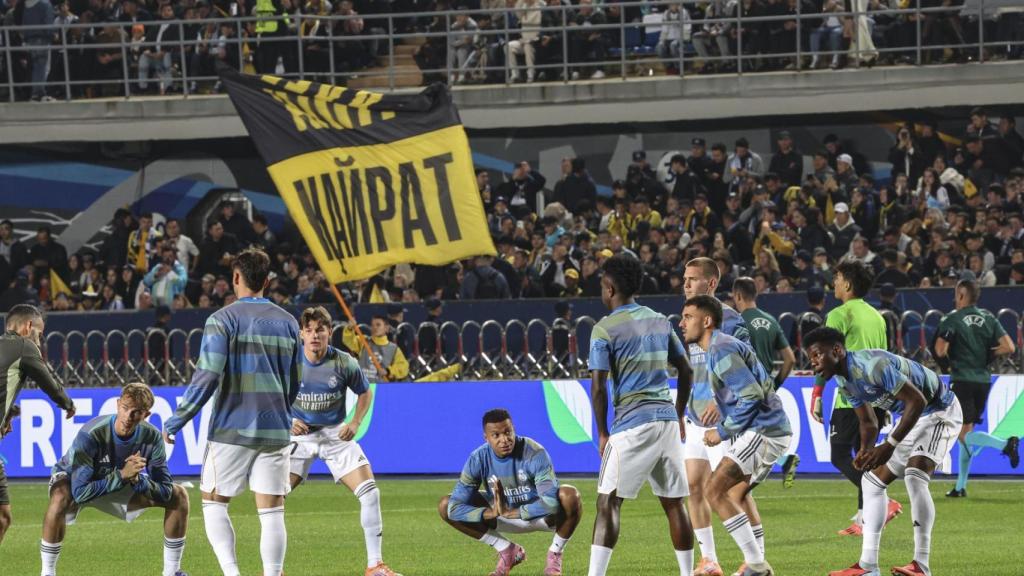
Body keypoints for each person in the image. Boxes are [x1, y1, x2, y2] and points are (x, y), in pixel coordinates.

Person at [162, 248, 302, 576]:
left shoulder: (222, 320)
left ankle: (232, 573)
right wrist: (282, 409)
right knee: (272, 510)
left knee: (214, 501)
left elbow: (208, 375)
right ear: (267, 281)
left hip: (231, 428)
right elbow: (295, 381)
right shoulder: (289, 322)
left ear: (235, 278)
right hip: (275, 429)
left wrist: (179, 418)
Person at [805, 328, 962, 576]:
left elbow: (918, 400)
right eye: (810, 358)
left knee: (914, 475)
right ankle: (868, 567)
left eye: (816, 355)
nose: (812, 364)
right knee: (871, 482)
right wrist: (867, 451)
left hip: (940, 411)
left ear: (836, 350)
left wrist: (888, 445)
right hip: (913, 418)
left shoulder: (872, 366)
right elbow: (868, 422)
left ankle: (921, 565)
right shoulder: (844, 379)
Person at [587, 254, 694, 576]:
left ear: (609, 288)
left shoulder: (603, 329)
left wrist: (603, 433)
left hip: (633, 422)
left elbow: (598, 388)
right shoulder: (660, 320)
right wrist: (678, 414)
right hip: (665, 423)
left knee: (608, 502)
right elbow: (686, 369)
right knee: (674, 502)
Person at [680, 296, 792, 576]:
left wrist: (722, 431)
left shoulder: (721, 348)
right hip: (764, 429)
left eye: (688, 317)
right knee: (728, 492)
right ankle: (755, 564)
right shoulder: (717, 347)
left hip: (764, 429)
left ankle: (756, 565)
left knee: (714, 490)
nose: (681, 324)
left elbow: (752, 395)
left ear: (707, 321)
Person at [289, 307, 401, 576]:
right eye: (310, 330)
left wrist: (354, 423)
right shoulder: (288, 363)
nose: (315, 335)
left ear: (329, 332)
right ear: (302, 334)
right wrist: (286, 421)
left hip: (334, 434)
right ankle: (273, 571)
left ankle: (375, 566)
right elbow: (269, 397)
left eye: (320, 329)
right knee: (272, 499)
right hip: (299, 436)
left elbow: (364, 393)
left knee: (370, 493)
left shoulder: (344, 362)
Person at [40, 383, 189, 576]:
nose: (128, 417)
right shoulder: (91, 433)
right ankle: (47, 573)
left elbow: (165, 490)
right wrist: (121, 475)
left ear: (146, 414)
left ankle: (172, 572)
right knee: (61, 495)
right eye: (125, 408)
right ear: (118, 404)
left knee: (179, 495)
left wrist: (137, 481)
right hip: (77, 483)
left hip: (117, 483)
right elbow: (80, 492)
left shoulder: (151, 437)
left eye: (136, 412)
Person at [810, 260, 902, 537]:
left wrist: (817, 392)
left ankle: (884, 502)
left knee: (839, 455)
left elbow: (823, 355)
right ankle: (865, 519)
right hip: (877, 395)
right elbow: (886, 359)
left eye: (837, 278)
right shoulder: (877, 316)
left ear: (847, 284)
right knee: (865, 458)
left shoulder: (839, 314)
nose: (833, 283)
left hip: (850, 397)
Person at [439, 409, 583, 576]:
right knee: (445, 505)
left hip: (541, 516)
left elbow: (551, 503)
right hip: (501, 516)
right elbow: (454, 509)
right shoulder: (478, 459)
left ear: (514, 429)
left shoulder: (534, 452)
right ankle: (507, 550)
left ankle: (555, 555)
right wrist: (490, 513)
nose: (504, 440)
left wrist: (515, 512)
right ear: (486, 438)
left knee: (570, 495)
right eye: (496, 435)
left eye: (508, 432)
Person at [680, 257, 754, 576]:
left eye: (692, 279)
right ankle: (709, 560)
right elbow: (688, 369)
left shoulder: (731, 320)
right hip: (695, 419)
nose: (685, 284)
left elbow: (746, 366)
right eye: (684, 278)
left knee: (732, 491)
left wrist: (719, 399)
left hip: (723, 420)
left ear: (710, 284)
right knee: (694, 486)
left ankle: (754, 558)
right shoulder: (686, 319)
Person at [934, 280, 1019, 498]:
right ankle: (960, 486)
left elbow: (940, 350)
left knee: (962, 435)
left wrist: (947, 363)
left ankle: (1005, 444)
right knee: (967, 432)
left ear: (961, 296)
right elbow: (1009, 346)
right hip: (982, 380)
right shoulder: (989, 318)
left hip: (961, 379)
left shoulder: (951, 319)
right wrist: (987, 355)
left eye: (956, 294)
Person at [0, 304, 76, 544]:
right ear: (28, 326)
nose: (39, 341)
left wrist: (8, 413)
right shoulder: (24, 346)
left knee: (2, 516)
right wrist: (67, 403)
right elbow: (47, 381)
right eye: (40, 335)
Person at [731, 277, 799, 488]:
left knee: (740, 439)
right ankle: (785, 460)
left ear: (738, 296)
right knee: (760, 434)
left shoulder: (735, 322)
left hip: (744, 389)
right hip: (766, 387)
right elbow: (790, 359)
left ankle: (740, 490)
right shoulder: (770, 320)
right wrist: (775, 383)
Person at [343, 316, 410, 383]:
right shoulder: (363, 341)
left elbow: (404, 367)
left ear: (386, 328)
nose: (375, 327)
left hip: (382, 389)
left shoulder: (394, 349)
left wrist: (388, 371)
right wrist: (349, 328)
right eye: (372, 325)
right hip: (364, 388)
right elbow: (348, 340)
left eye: (378, 325)